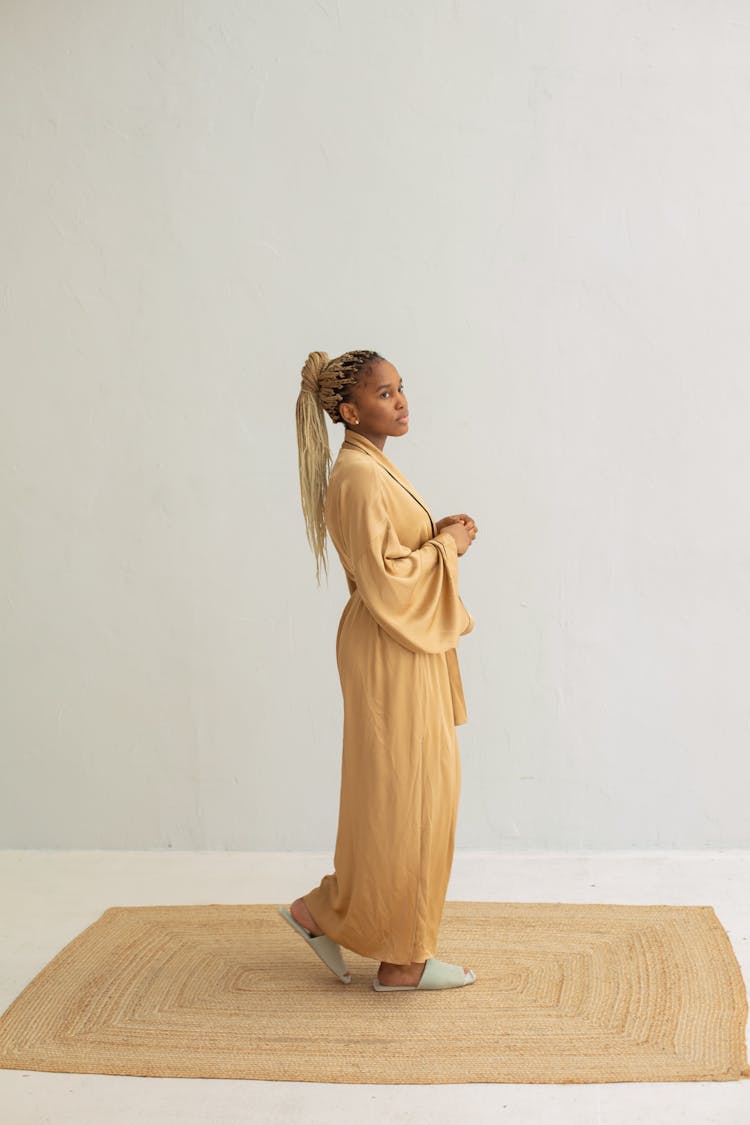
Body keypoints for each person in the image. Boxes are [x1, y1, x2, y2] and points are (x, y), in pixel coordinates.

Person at [280, 348, 478, 991]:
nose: (400, 401)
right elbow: (387, 582)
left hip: (396, 641)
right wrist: (447, 546)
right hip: (391, 642)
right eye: (385, 394)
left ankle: (327, 914)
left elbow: (387, 560)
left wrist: (434, 536)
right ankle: (400, 960)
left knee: (406, 793)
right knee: (409, 797)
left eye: (400, 389)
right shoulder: (360, 476)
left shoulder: (371, 466)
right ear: (347, 410)